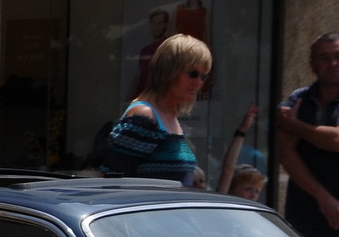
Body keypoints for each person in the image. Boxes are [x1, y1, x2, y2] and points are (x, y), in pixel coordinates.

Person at [277, 32, 339, 237]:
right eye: (324, 58)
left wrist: (294, 125)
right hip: (303, 221)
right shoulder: (298, 100)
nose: (333, 63)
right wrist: (323, 197)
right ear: (312, 64)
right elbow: (286, 155)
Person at [102, 34, 208, 186]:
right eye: (192, 74)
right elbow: (112, 182)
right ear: (169, 71)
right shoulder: (145, 115)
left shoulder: (170, 116)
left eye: (203, 76)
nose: (198, 82)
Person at [216, 104, 259, 196]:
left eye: (257, 191)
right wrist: (242, 130)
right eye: (247, 189)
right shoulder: (224, 203)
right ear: (230, 189)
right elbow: (228, 170)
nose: (253, 195)